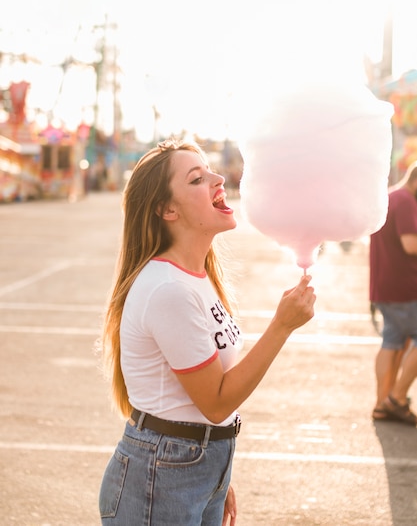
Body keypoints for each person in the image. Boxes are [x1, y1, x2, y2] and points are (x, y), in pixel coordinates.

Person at [98, 138, 316, 525]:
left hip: (192, 464)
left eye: (210, 170)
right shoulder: (168, 289)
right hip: (162, 476)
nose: (219, 179)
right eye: (198, 179)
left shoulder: (197, 276)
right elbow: (214, 401)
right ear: (167, 209)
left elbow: (200, 410)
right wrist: (281, 326)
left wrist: (217, 475)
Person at [370, 161, 417, 425]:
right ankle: (396, 399)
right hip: (404, 288)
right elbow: (411, 245)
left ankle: (381, 404)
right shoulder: (407, 201)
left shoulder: (389, 197)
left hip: (385, 287)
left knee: (392, 342)